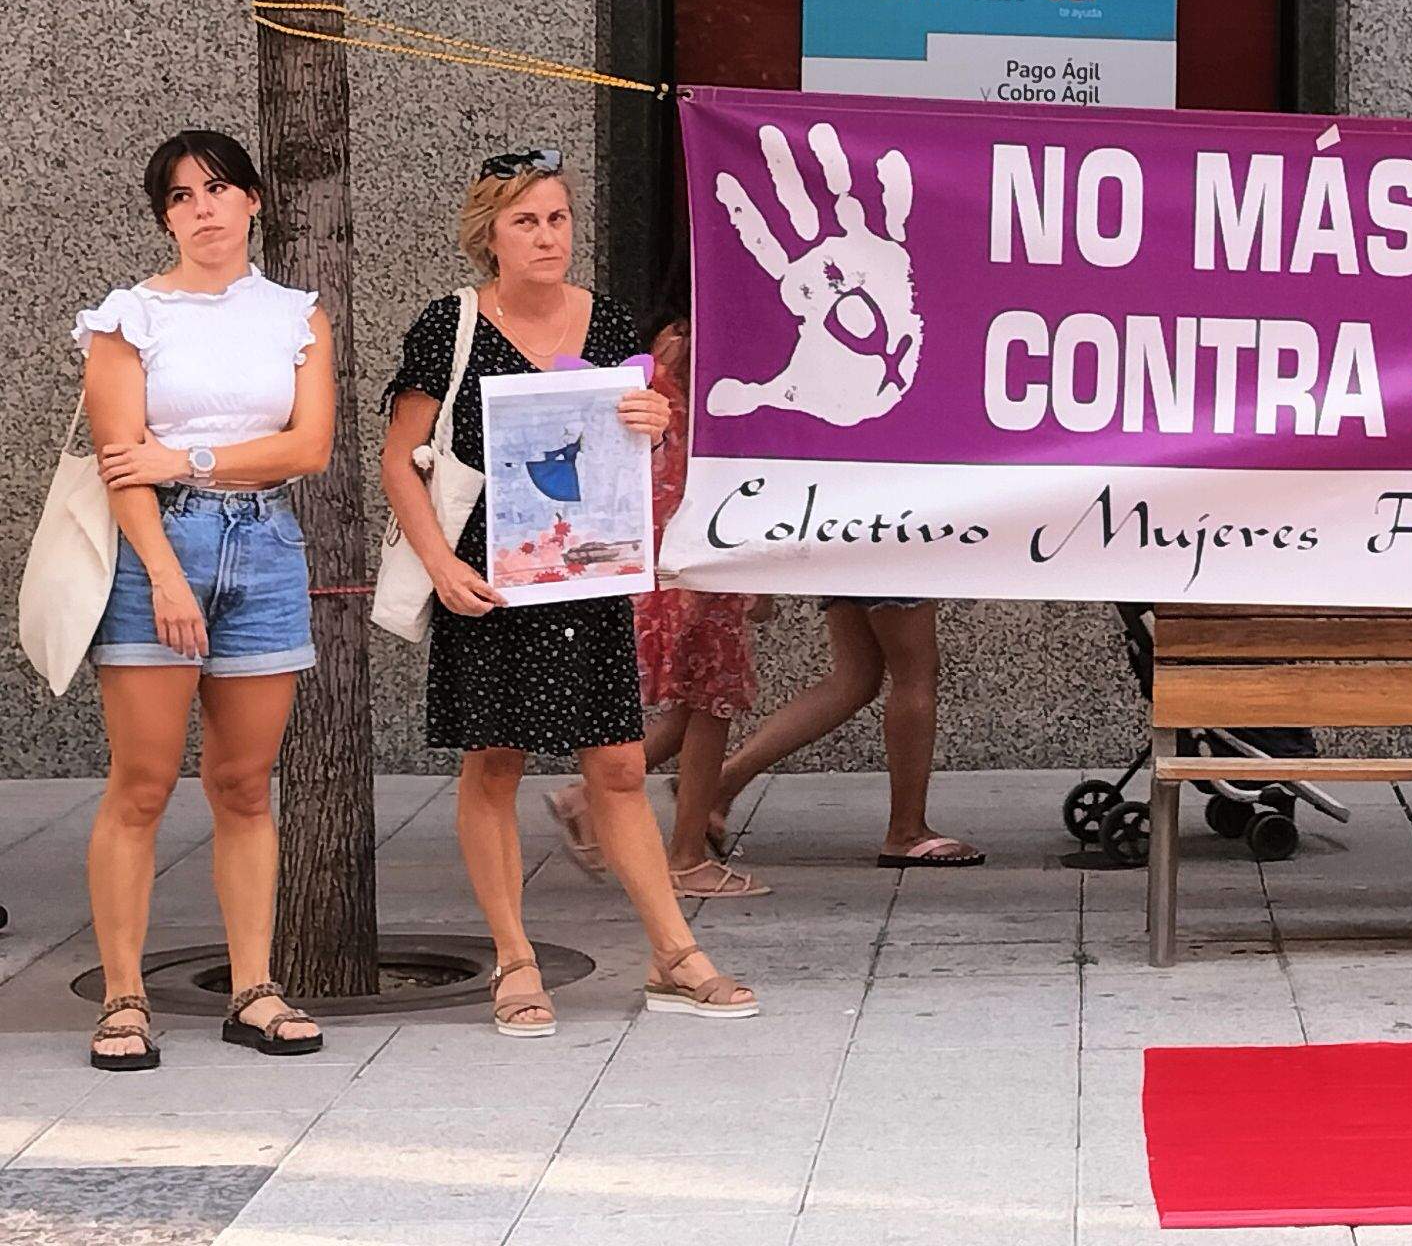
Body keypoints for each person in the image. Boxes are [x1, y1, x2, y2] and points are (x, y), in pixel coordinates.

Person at [380, 148, 758, 1032]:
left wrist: (656, 419)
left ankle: (674, 951)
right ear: (490, 236)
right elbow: (401, 458)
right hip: (486, 575)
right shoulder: (451, 325)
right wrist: (441, 565)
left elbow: (632, 437)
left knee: (620, 764)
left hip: (584, 571)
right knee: (496, 762)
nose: (547, 236)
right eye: (526, 221)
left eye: (557, 218)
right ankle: (514, 962)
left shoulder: (610, 316)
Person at [73, 132, 334, 1071]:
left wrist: (190, 456)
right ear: (165, 217)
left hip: (265, 545)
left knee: (243, 784)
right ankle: (124, 997)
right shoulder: (127, 317)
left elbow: (308, 449)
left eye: (219, 188)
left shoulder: (297, 316)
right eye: (181, 197)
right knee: (141, 785)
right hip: (158, 553)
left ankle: (255, 987)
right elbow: (119, 463)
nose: (203, 208)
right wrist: (167, 574)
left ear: (254, 200)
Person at [628, 298, 772, 898]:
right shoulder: (694, 362)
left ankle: (594, 800)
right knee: (709, 700)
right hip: (702, 548)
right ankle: (685, 855)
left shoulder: (656, 362)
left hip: (674, 547)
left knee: (696, 701)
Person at [707, 597, 982, 867]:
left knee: (855, 677)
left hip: (850, 554)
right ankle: (907, 832)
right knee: (914, 674)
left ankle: (720, 784)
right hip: (895, 556)